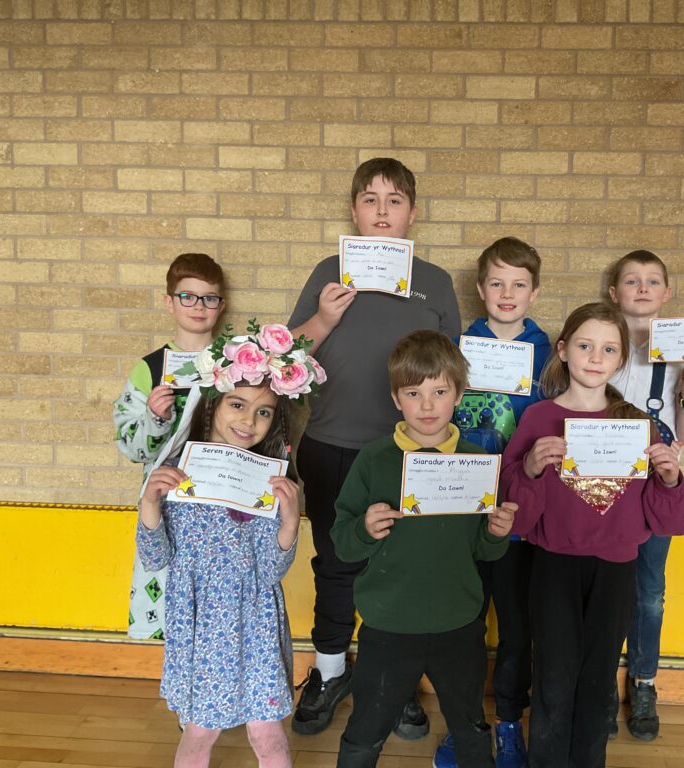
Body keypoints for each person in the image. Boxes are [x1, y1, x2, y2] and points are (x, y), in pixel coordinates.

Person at [287, 157, 461, 737]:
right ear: (354, 211)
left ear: (412, 213)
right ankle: (330, 671)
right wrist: (323, 316)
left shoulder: (435, 281)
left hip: (410, 451)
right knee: (336, 564)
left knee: (401, 568)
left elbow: (453, 370)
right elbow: (286, 358)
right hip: (331, 444)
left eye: (394, 201)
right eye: (370, 200)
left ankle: (397, 680)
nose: (382, 212)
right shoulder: (328, 272)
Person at [500, 302, 684, 768]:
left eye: (608, 349)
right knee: (553, 677)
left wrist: (670, 479)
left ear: (621, 358)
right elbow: (514, 516)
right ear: (563, 350)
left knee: (597, 680)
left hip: (616, 567)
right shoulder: (538, 419)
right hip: (553, 564)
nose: (595, 357)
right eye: (585, 346)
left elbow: (669, 522)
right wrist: (529, 469)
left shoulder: (638, 424)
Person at [135, 320, 324, 767]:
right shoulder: (179, 470)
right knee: (200, 731)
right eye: (237, 405)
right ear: (212, 404)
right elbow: (156, 556)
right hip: (200, 622)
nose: (248, 421)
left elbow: (270, 571)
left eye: (264, 412)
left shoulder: (269, 478)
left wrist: (290, 521)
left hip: (255, 619)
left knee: (268, 732)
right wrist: (149, 504)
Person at [330, 330, 517, 768]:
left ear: (459, 395)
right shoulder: (373, 460)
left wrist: (496, 532)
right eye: (414, 393)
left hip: (458, 623)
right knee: (365, 730)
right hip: (388, 624)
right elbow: (342, 543)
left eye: (439, 392)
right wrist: (365, 528)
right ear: (396, 398)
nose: (427, 405)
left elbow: (485, 552)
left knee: (470, 728)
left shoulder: (475, 462)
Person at [434, 236, 550, 768]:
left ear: (534, 292)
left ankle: (507, 721)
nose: (507, 293)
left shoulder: (550, 355)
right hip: (463, 509)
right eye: (497, 283)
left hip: (521, 514)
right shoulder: (458, 348)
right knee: (463, 621)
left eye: (518, 284)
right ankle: (465, 724)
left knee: (518, 626)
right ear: (480, 289)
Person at [604, 249, 684, 741]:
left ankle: (644, 684)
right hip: (603, 486)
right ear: (614, 293)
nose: (642, 288)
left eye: (651, 281)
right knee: (604, 587)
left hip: (653, 491)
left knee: (649, 592)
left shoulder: (681, 356)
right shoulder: (601, 347)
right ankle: (601, 685)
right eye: (631, 280)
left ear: (667, 293)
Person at [113, 252, 226, 640]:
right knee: (167, 579)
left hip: (221, 497)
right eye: (187, 296)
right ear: (169, 301)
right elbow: (132, 448)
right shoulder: (149, 368)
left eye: (209, 298)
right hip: (167, 499)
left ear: (221, 305)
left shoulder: (237, 363)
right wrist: (155, 418)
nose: (199, 306)